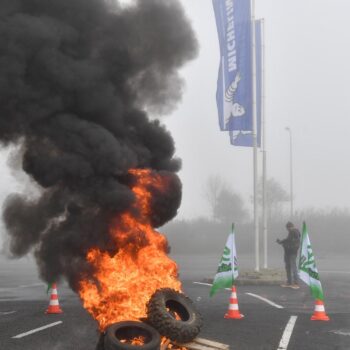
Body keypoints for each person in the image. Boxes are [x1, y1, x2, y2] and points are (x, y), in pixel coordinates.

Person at [276, 222, 301, 289]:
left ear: (290, 227)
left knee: (293, 267)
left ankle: (296, 283)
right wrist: (281, 242)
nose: (287, 230)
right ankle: (289, 282)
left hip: (291, 253)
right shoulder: (294, 232)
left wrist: (282, 243)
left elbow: (290, 241)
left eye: (288, 228)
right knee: (288, 267)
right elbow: (288, 240)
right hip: (289, 252)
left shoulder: (293, 232)